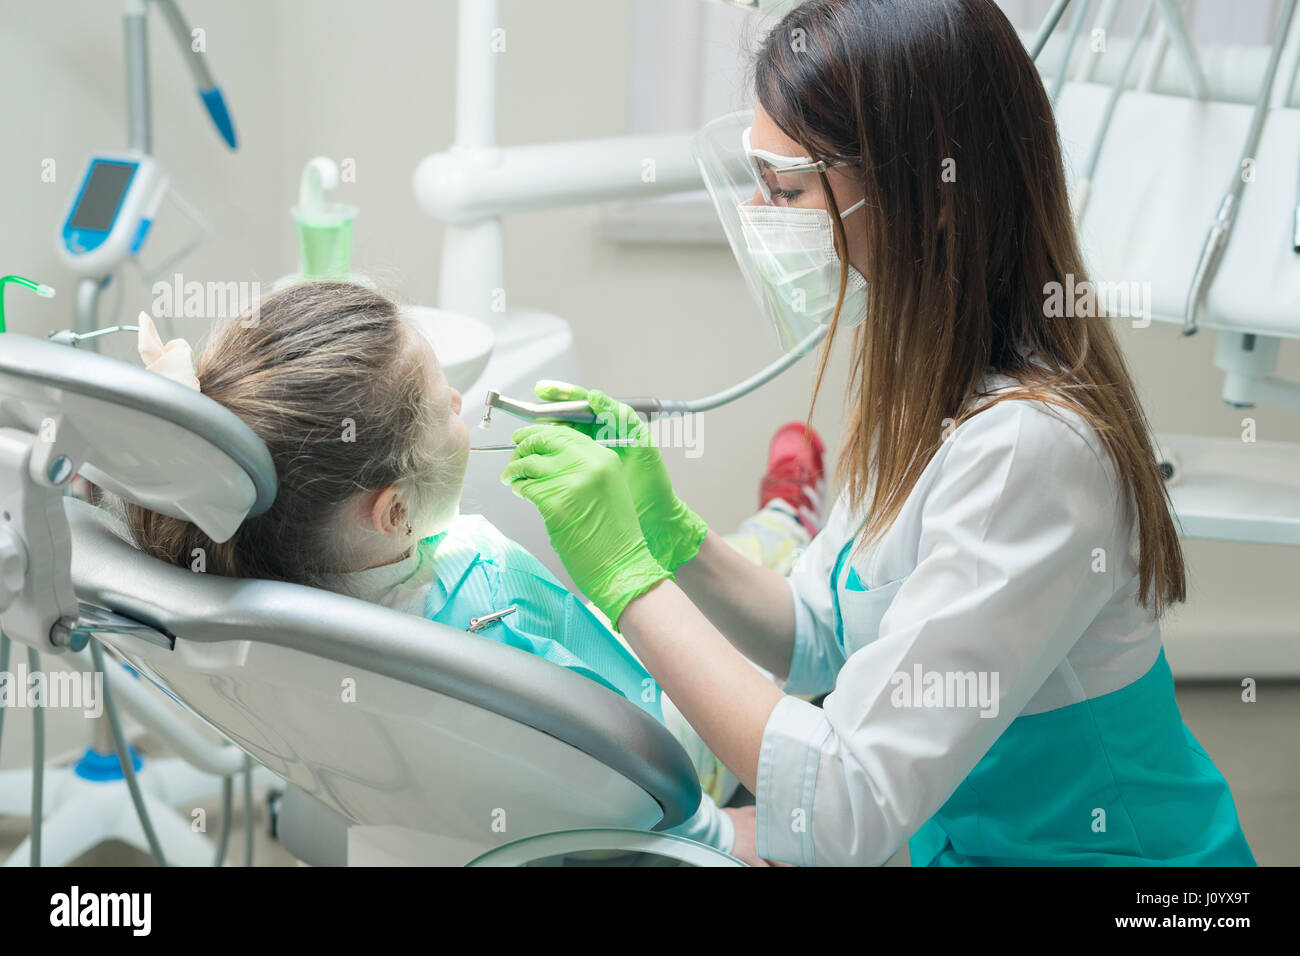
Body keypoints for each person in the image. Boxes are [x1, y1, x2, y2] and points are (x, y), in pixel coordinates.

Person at [503, 0, 1255, 866]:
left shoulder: (1031, 452)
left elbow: (845, 811)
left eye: (785, 189)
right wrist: (671, 539)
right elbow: (819, 636)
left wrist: (627, 581)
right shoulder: (926, 384)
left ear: (931, 194)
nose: (760, 214)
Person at [115, 280, 823, 855]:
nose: (461, 403)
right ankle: (789, 515)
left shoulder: (250, 577)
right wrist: (719, 833)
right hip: (667, 729)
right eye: (440, 404)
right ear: (393, 514)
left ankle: (778, 521)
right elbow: (636, 761)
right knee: (763, 582)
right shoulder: (489, 611)